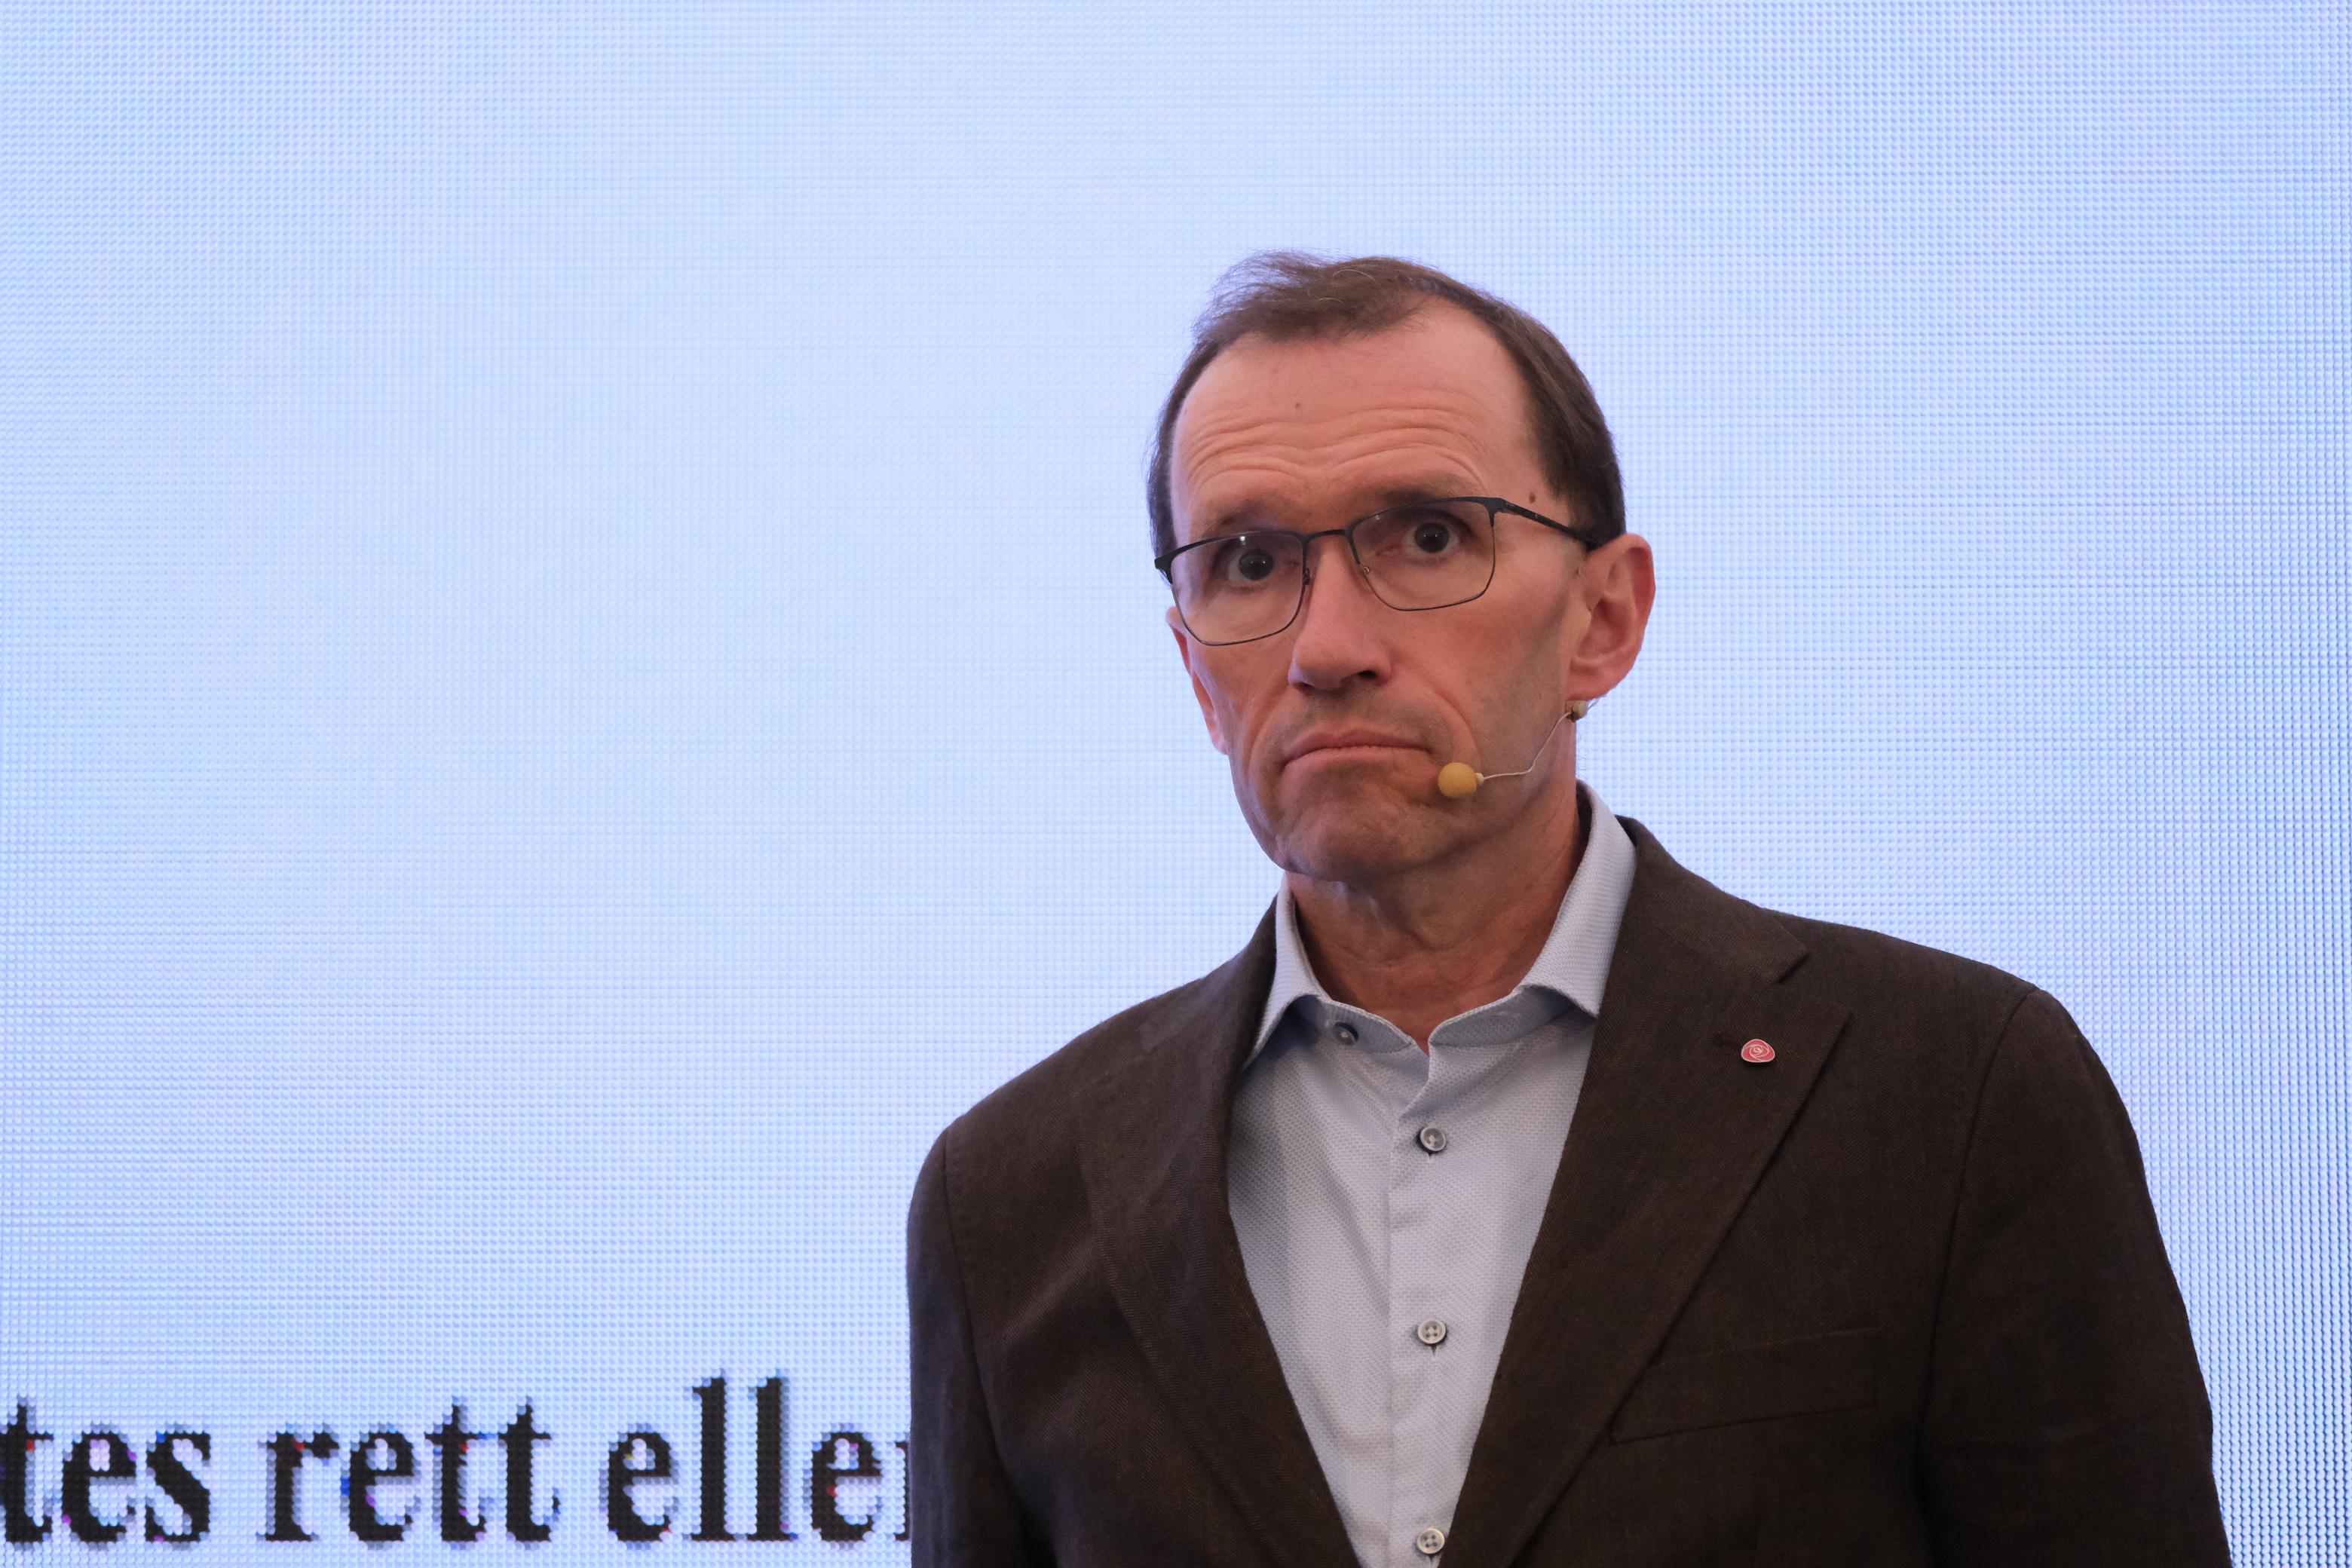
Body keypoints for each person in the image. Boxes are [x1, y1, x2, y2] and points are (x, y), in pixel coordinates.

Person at [906, 253, 2229, 1566]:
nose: (1325, 647)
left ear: (1605, 619)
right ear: (1198, 673)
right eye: (1248, 561)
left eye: (1427, 536)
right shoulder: (1014, 1199)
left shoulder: (1950, 1093)